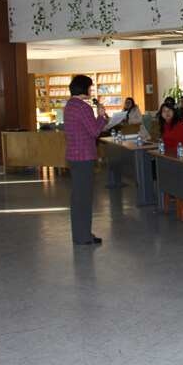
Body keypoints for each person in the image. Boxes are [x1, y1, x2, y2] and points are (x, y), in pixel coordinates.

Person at [64, 75, 108, 245]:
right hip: (84, 156)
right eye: (90, 88)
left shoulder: (70, 106)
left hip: (73, 156)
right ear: (84, 89)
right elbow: (95, 131)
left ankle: (79, 234)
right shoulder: (83, 108)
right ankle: (84, 236)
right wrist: (101, 116)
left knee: (77, 196)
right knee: (83, 197)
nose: (91, 91)